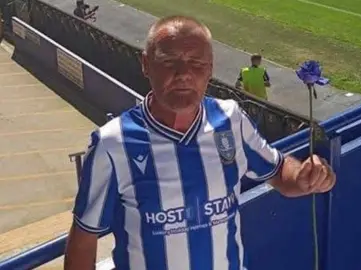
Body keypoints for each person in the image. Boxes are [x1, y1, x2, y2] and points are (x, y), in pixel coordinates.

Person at [64, 15, 336, 270]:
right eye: (169, 62)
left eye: (196, 64)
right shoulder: (112, 143)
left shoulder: (230, 119)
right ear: (146, 64)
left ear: (210, 69)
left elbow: (278, 172)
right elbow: (84, 237)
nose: (184, 74)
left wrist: (303, 176)